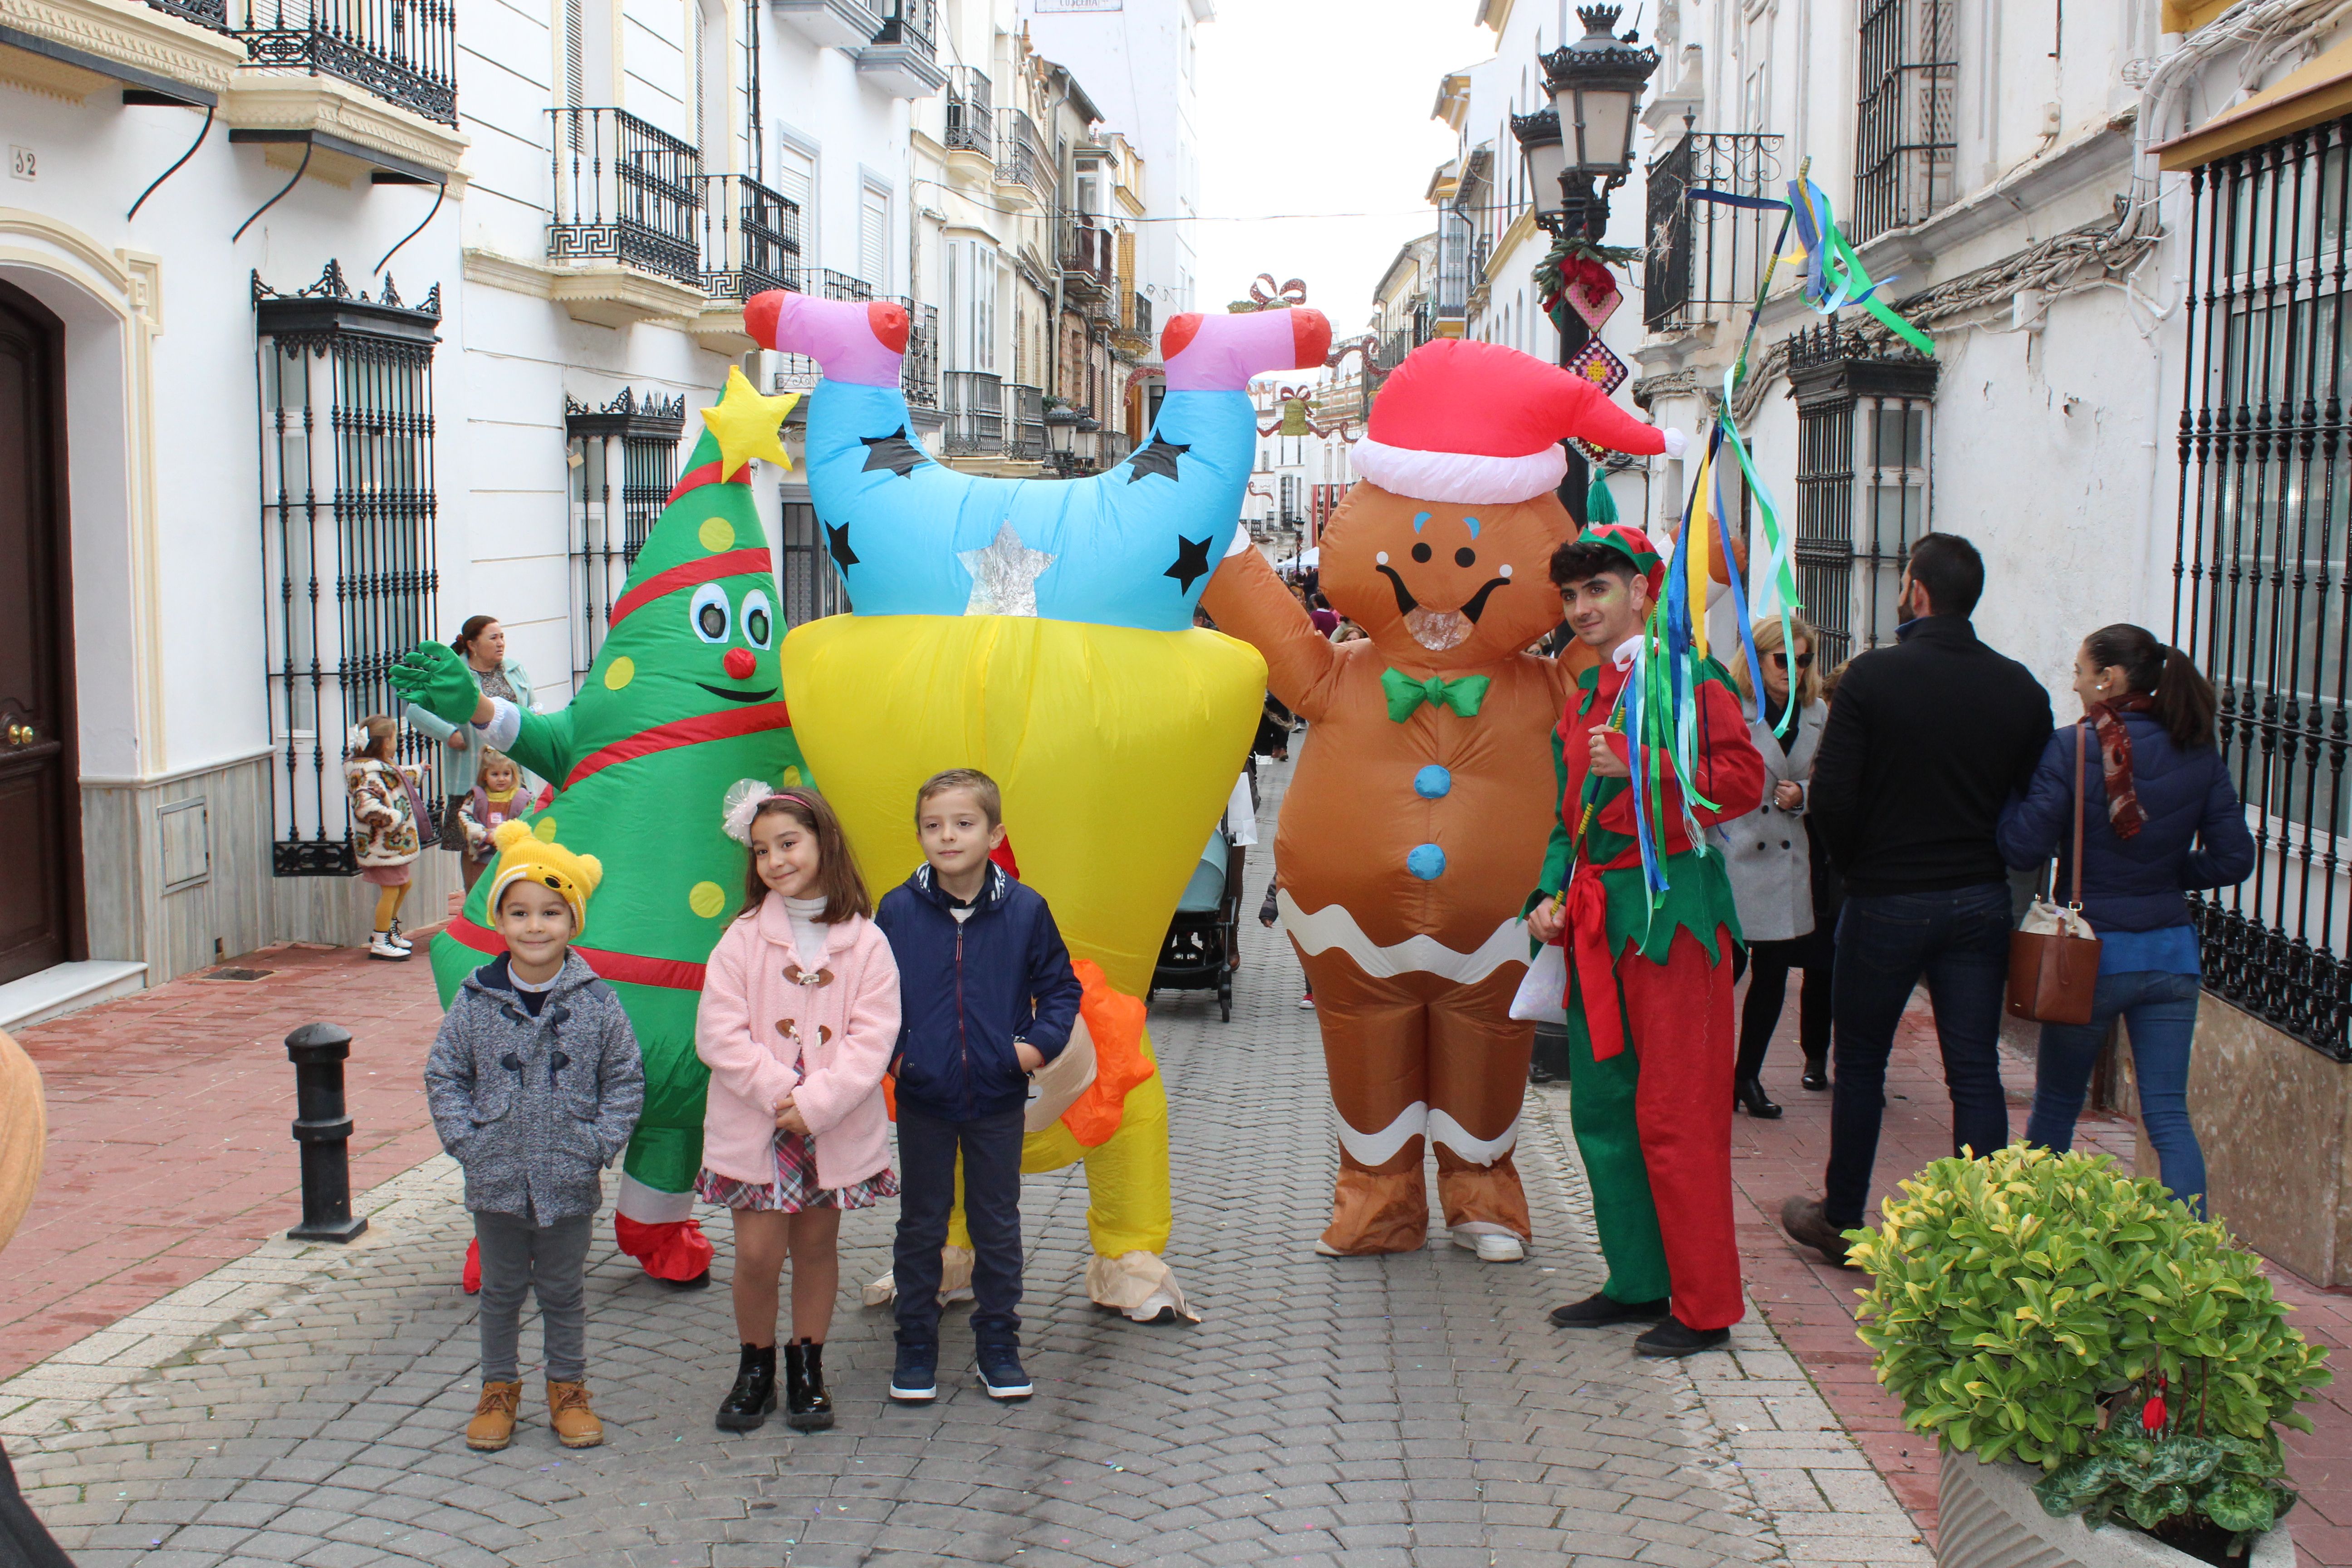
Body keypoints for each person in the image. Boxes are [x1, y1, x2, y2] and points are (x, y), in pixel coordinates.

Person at [1780, 533, 2053, 1266]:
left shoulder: (1873, 678)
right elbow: (2034, 804)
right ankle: (1987, 1233)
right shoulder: (2020, 689)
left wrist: (1857, 868)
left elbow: (1832, 795)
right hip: (1977, 895)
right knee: (1973, 1067)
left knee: (1860, 1063)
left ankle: (1842, 1216)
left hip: (1886, 895)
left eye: (1903, 582)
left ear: (1917, 591)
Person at [1527, 524, 1764, 1356]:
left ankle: (1705, 1307)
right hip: (1597, 925)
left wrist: (1641, 761)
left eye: (1596, 589)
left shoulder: (1689, 678)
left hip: (1675, 922)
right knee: (1603, 1109)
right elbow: (1567, 821)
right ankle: (1637, 1280)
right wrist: (1545, 894)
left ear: (1640, 591)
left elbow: (1742, 782)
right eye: (1569, 595)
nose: (1580, 608)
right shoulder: (1582, 696)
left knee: (1677, 1112)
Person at [1996, 625, 2251, 1217]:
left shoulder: (2073, 747)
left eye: (2081, 672)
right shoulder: (2196, 749)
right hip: (2170, 956)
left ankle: (2034, 1240)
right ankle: (2193, 1252)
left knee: (2057, 1105)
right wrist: (2166, 872)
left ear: (2109, 678)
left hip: (2088, 959)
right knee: (2167, 1116)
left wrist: (2006, 796)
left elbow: (2023, 848)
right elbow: (2235, 858)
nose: (2076, 684)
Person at [424, 820, 643, 1453]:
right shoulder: (475, 1000)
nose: (535, 926)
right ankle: (498, 1390)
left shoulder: (598, 1003)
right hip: (495, 1176)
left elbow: (625, 1078)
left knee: (563, 1291)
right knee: (500, 1292)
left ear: (573, 922)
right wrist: (468, 1142)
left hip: (569, 1176)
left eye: (551, 913)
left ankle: (567, 1389)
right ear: (500, 920)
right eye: (519, 913)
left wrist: (596, 1144)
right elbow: (445, 1073)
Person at [875, 769, 1083, 1404]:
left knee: (996, 1223)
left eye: (963, 824)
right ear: (919, 834)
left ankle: (998, 1343)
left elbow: (1061, 988)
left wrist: (1032, 1050)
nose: (947, 836)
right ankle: (915, 1343)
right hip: (924, 1098)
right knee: (921, 1223)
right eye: (933, 825)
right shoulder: (897, 910)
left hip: (996, 1098)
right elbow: (871, 996)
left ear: (995, 835)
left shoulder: (1025, 909)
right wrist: (900, 1058)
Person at [696, 785, 899, 1433]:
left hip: (830, 1123)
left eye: (788, 844)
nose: (775, 861)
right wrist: (778, 1091)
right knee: (757, 1254)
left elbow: (875, 1036)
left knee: (816, 1247)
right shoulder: (741, 939)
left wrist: (819, 1102)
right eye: (762, 851)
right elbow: (718, 1033)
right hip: (759, 1119)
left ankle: (808, 1366)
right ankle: (754, 1368)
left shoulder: (867, 942)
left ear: (824, 843)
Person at [1720, 612, 1835, 1116]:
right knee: (1722, 974)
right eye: (1784, 659)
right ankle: (1705, 1073)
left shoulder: (1817, 712)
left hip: (1786, 860)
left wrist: (1804, 794)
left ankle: (1747, 1077)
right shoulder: (1728, 706)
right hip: (1735, 854)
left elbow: (1832, 777)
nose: (1795, 670)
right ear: (1756, 657)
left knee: (1772, 978)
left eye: (1804, 661)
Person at [406, 615, 535, 833]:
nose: (501, 643)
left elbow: (532, 708)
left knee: (520, 839)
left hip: (515, 777)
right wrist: (449, 733)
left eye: (502, 637)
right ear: (472, 645)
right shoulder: (453, 675)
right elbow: (415, 709)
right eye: (493, 638)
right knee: (474, 843)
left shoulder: (515, 670)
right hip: (472, 779)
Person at [345, 716, 422, 961]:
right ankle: (380, 940)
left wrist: (419, 770)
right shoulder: (369, 774)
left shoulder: (376, 767)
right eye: (395, 738)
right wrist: (393, 818)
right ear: (385, 742)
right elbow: (365, 807)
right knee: (391, 890)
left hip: (390, 846)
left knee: (403, 884)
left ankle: (387, 929)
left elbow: (396, 776)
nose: (397, 743)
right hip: (382, 846)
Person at [458, 748, 529, 892]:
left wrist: (511, 837)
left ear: (513, 774)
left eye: (506, 774)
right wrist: (485, 835)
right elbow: (465, 818)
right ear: (485, 775)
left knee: (510, 890)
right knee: (483, 888)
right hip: (483, 855)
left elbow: (529, 821)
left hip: (512, 856)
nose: (501, 779)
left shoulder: (522, 798)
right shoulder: (477, 797)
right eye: (495, 774)